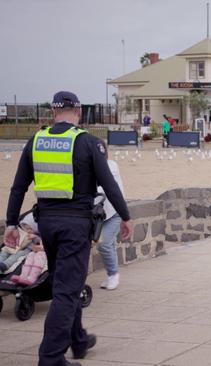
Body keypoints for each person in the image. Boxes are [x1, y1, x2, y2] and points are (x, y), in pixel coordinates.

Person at [4, 91, 133, 366]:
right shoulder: (87, 142)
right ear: (78, 112)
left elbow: (18, 187)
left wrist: (12, 223)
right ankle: (50, 358)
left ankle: (79, 340)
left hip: (48, 224)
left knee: (66, 282)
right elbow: (109, 185)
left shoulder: (36, 141)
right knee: (65, 290)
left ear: (53, 113)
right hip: (76, 225)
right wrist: (125, 216)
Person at [95, 141, 125, 290]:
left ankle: (113, 274)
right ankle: (112, 274)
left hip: (114, 212)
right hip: (100, 215)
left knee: (104, 243)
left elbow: (102, 188)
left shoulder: (111, 166)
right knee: (110, 243)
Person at [9, 214, 46, 286]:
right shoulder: (28, 235)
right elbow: (30, 246)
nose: (28, 231)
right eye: (26, 229)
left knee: (40, 256)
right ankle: (23, 276)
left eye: (30, 228)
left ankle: (32, 278)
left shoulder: (44, 233)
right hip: (35, 251)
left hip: (45, 252)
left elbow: (47, 243)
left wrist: (37, 239)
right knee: (30, 256)